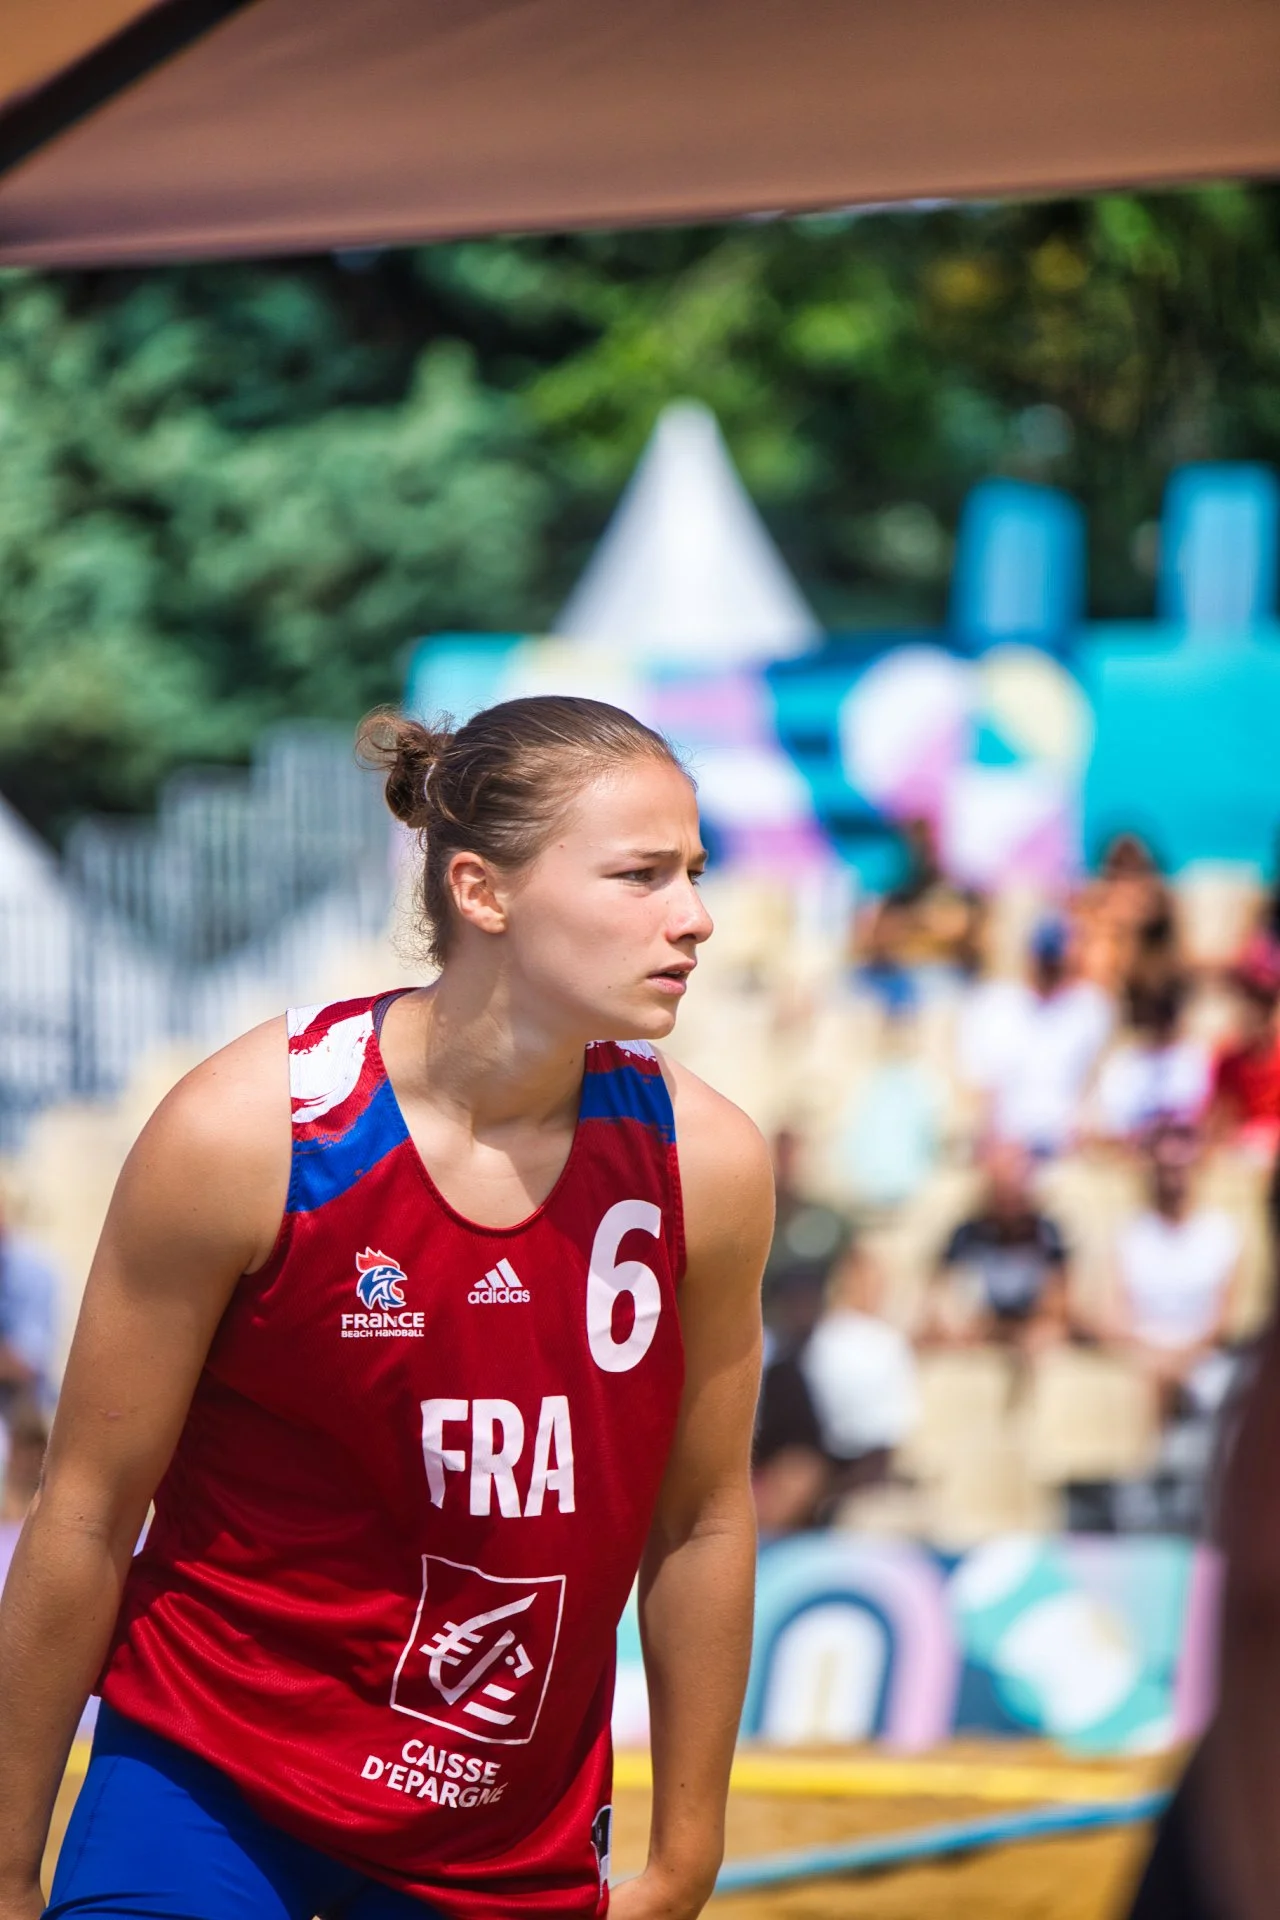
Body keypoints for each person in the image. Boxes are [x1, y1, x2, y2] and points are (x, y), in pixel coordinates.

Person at [0, 697, 773, 1920]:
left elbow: (703, 1525)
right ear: (481, 892)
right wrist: (3, 1863)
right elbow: (87, 1513)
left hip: (502, 1831)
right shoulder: (245, 1133)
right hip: (211, 1779)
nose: (694, 915)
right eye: (640, 875)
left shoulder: (707, 1167)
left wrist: (683, 1864)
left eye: (692, 871)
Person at [1106, 1122, 1241, 1421]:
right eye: (1165, 1167)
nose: (1173, 1178)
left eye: (1181, 1166)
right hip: (1142, 1360)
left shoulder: (1222, 1233)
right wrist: (1156, 1359)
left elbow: (1224, 1319)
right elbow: (1115, 1313)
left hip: (1203, 1361)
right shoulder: (1129, 1233)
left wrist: (1184, 1358)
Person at [957, 915, 1112, 1157]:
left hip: (1066, 1145)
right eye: (1044, 960)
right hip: (1008, 1145)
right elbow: (981, 1087)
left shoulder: (1092, 1007)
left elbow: (1096, 1085)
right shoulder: (992, 1004)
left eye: (1055, 962)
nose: (1048, 969)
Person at [927, 1139, 1072, 1352]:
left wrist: (1020, 1329)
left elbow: (1059, 1299)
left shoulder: (1047, 1233)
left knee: (1046, 1337)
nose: (1009, 1198)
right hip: (977, 1331)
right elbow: (943, 1292)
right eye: (1001, 1188)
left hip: (1027, 1334)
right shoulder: (966, 1234)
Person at [1090, 977, 1211, 1146]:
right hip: (1132, 1149)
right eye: (1154, 1018)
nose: (1159, 1025)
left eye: (1165, 1018)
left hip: (1179, 1148)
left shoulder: (1193, 1057)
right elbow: (1114, 1120)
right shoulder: (1126, 1061)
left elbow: (1195, 1112)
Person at [1208, 943, 1280, 1156]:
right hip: (1239, 1154)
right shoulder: (1228, 1062)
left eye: (1266, 1006)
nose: (1258, 1015)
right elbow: (1219, 1120)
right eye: (1252, 1004)